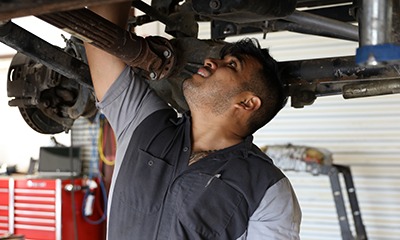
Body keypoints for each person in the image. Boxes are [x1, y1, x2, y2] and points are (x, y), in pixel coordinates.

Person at [84, 2, 301, 239]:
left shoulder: (266, 187)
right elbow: (99, 42)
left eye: (231, 65)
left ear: (247, 103)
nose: (210, 61)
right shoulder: (143, 123)